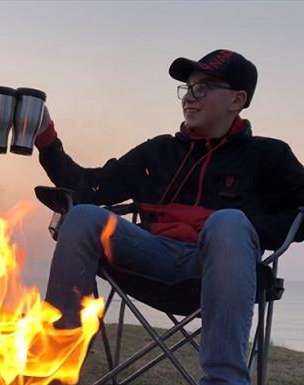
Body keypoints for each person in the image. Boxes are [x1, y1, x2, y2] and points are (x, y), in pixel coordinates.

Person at [34, 49, 304, 385]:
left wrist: (252, 230)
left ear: (237, 100)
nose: (190, 97)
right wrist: (45, 139)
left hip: (218, 267)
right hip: (150, 255)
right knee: (83, 217)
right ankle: (55, 366)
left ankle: (224, 381)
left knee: (229, 222)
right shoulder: (159, 152)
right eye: (187, 88)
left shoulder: (268, 155)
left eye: (202, 87)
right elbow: (90, 187)